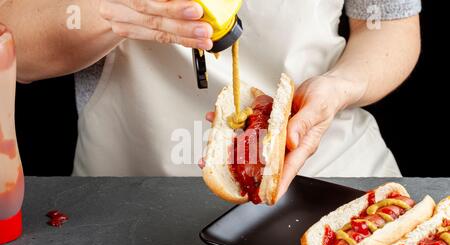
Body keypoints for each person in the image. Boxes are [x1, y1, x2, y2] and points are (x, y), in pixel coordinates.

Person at [0, 0, 421, 199]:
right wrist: (128, 9)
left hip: (334, 180)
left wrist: (340, 86)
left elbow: (391, 26)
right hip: (130, 203)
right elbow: (21, 46)